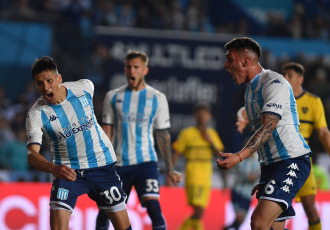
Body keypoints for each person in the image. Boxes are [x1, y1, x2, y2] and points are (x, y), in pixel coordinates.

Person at [26, 56, 131, 230]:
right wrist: (53, 168)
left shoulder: (84, 87)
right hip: (67, 171)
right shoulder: (36, 114)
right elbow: (32, 155)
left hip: (102, 166)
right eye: (39, 84)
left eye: (49, 81)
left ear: (59, 79)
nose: (45, 88)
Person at [217, 37, 311, 230]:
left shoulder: (274, 82)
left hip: (291, 160)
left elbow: (268, 128)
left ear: (245, 61)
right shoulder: (250, 92)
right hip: (271, 166)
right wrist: (266, 174)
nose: (225, 64)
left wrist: (239, 157)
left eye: (229, 59)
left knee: (259, 223)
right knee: (271, 227)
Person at [96, 50, 182, 230]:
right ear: (125, 70)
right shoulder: (113, 97)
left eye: (136, 67)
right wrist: (102, 164)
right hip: (118, 164)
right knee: (105, 210)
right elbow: (107, 132)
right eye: (129, 67)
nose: (132, 71)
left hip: (146, 162)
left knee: (153, 206)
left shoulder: (157, 98)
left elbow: (163, 135)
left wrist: (170, 168)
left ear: (145, 71)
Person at [282, 62, 330, 230]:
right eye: (284, 75)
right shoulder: (277, 101)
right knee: (278, 212)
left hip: (302, 161)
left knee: (310, 209)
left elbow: (323, 132)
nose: (285, 78)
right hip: (280, 160)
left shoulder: (313, 102)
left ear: (300, 79)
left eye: (290, 75)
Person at [171, 102, 224, 230]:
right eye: (200, 113)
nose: (202, 116)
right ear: (195, 115)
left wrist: (209, 141)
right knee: (198, 210)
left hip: (206, 175)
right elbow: (177, 153)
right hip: (193, 173)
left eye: (205, 113)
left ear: (209, 116)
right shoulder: (187, 133)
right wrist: (170, 171)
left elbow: (220, 155)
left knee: (199, 212)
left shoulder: (211, 134)